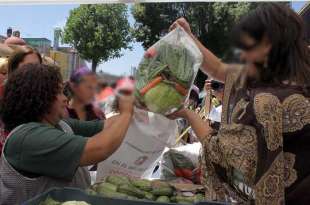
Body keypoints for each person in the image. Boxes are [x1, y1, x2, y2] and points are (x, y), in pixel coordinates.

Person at [169, 3, 310, 204]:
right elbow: (218, 68)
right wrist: (188, 37)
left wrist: (187, 114)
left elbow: (222, 155)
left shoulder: (264, 103)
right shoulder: (293, 75)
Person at [0, 64, 134, 204]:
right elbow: (100, 148)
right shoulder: (26, 138)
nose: (65, 98)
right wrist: (126, 113)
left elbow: (107, 126)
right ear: (37, 97)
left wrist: (132, 108)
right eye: (58, 92)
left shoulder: (61, 125)